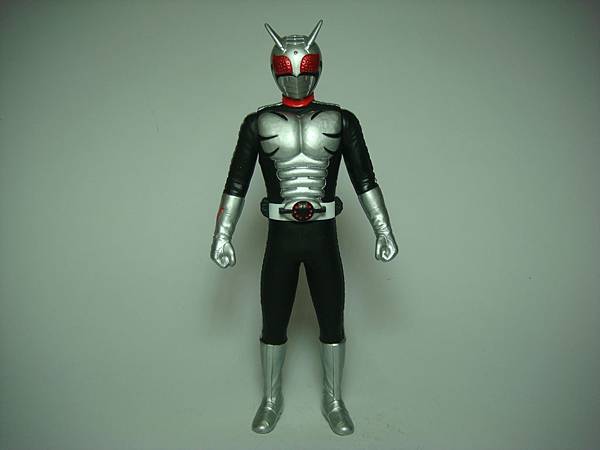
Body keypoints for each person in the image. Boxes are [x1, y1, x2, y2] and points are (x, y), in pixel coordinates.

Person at [210, 19, 398, 436]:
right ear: (275, 68)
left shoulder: (341, 120)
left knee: (332, 318)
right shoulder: (257, 123)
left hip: (322, 235)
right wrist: (222, 234)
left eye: (305, 66)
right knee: (273, 321)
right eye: (287, 67)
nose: (296, 76)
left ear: (318, 67)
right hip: (280, 237)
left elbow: (365, 179)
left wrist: (382, 228)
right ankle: (271, 399)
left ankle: (334, 400)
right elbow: (236, 183)